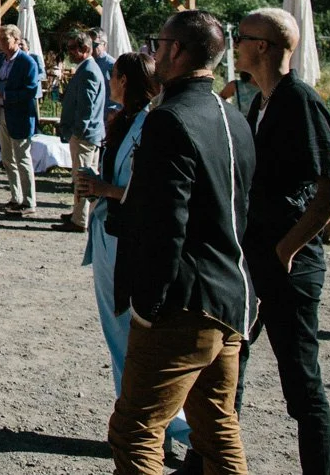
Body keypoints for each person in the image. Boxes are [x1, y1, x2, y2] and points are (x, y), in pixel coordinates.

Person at [108, 11, 254, 475]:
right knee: (216, 428)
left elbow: (165, 222)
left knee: (136, 430)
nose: (152, 53)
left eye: (159, 43)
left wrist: (149, 306)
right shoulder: (233, 117)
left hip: (183, 303)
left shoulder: (169, 120)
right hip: (231, 294)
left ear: (176, 50)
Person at [231, 7, 330, 475]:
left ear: (262, 47)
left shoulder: (301, 102)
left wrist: (286, 249)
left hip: (288, 266)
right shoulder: (261, 101)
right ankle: (209, 460)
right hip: (256, 258)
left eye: (241, 36)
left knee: (301, 384)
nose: (234, 44)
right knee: (227, 361)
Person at [76, 52, 192, 452]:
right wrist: (98, 183)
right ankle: (138, 420)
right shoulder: (123, 121)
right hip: (110, 233)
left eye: (114, 76)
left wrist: (104, 189)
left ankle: (163, 428)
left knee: (130, 337)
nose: (110, 81)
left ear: (123, 79)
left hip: (130, 238)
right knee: (119, 335)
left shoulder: (149, 125)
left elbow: (153, 193)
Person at [55, 31, 107, 234]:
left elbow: (86, 106)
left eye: (71, 48)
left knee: (82, 178)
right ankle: (81, 213)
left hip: (85, 135)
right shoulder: (88, 68)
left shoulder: (88, 71)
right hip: (90, 133)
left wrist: (78, 131)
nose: (69, 53)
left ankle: (80, 219)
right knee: (86, 176)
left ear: (84, 49)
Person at [0, 25, 41, 218]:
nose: (1, 43)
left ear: (16, 40)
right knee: (7, 158)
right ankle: (16, 197)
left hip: (19, 115)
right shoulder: (2, 60)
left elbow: (30, 91)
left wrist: (3, 93)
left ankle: (29, 201)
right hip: (2, 112)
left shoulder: (27, 63)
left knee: (22, 158)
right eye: (0, 40)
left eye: (5, 39)